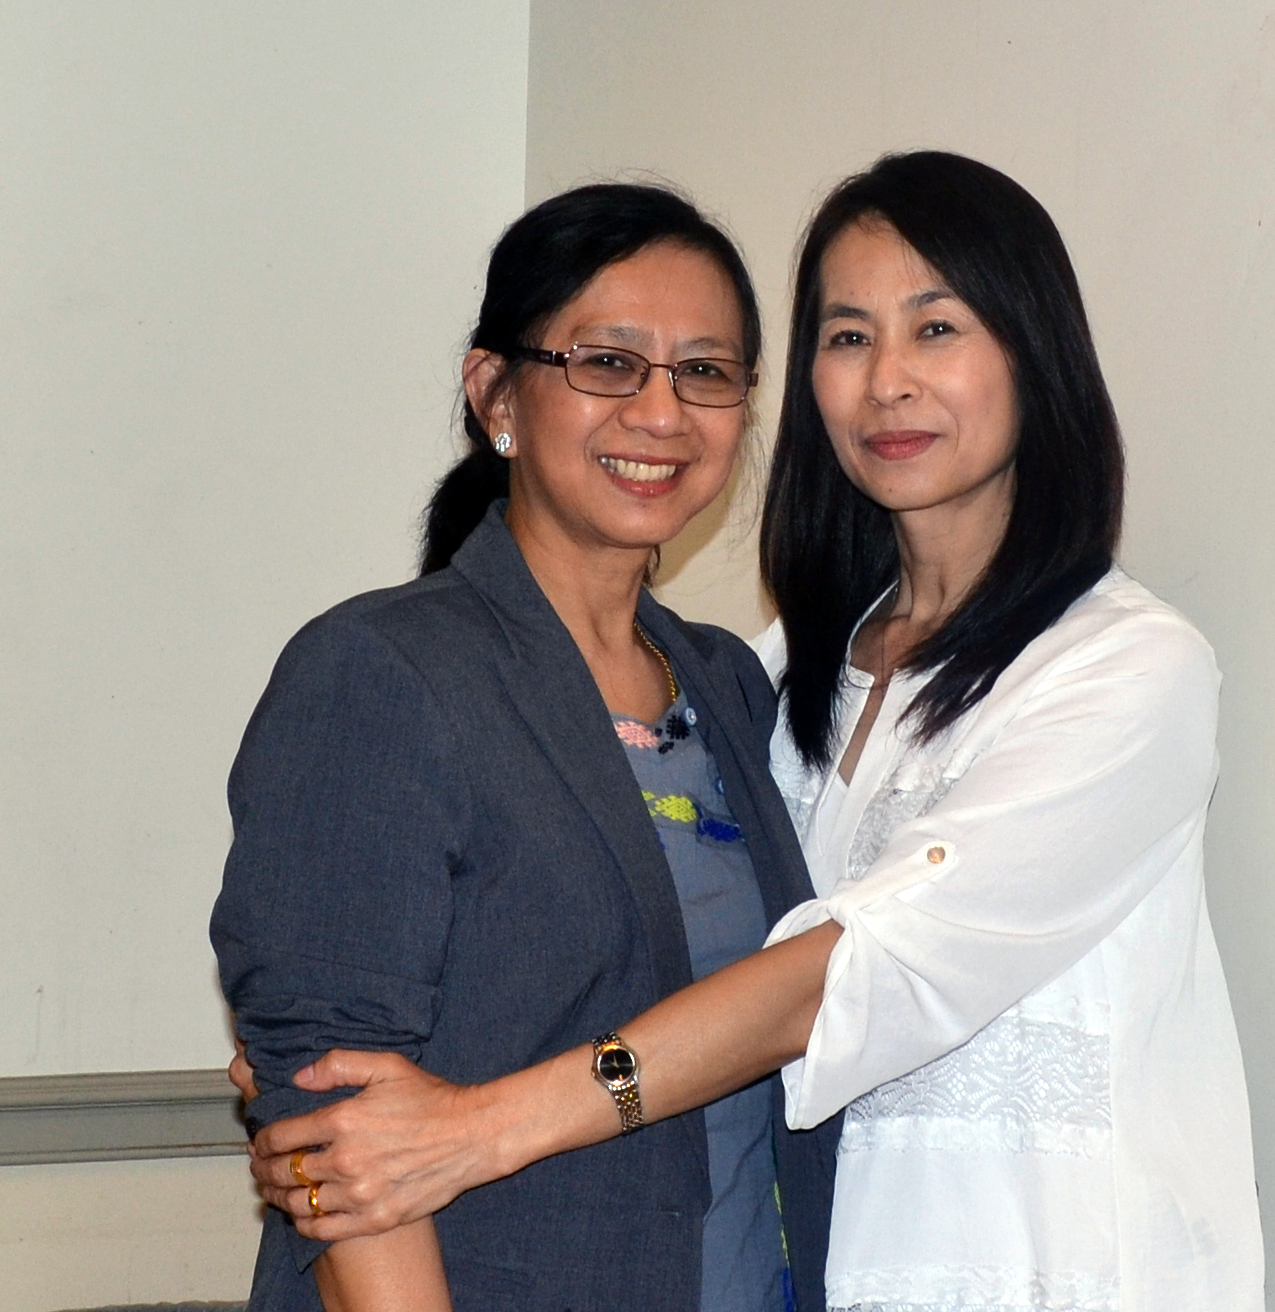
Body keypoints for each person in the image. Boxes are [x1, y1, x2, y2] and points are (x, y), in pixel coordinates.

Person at [241, 151, 1265, 1311]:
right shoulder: (775, 675)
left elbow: (847, 977)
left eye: (937, 329)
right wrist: (303, 1053)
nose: (888, 381)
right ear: (497, 396)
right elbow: (341, 1054)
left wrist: (475, 1125)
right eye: (848, 336)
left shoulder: (1119, 669)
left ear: (1038, 357)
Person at [209, 182, 840, 1312]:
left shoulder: (730, 685)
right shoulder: (381, 673)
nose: (662, 412)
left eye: (705, 371)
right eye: (608, 363)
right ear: (496, 392)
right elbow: (330, 1119)